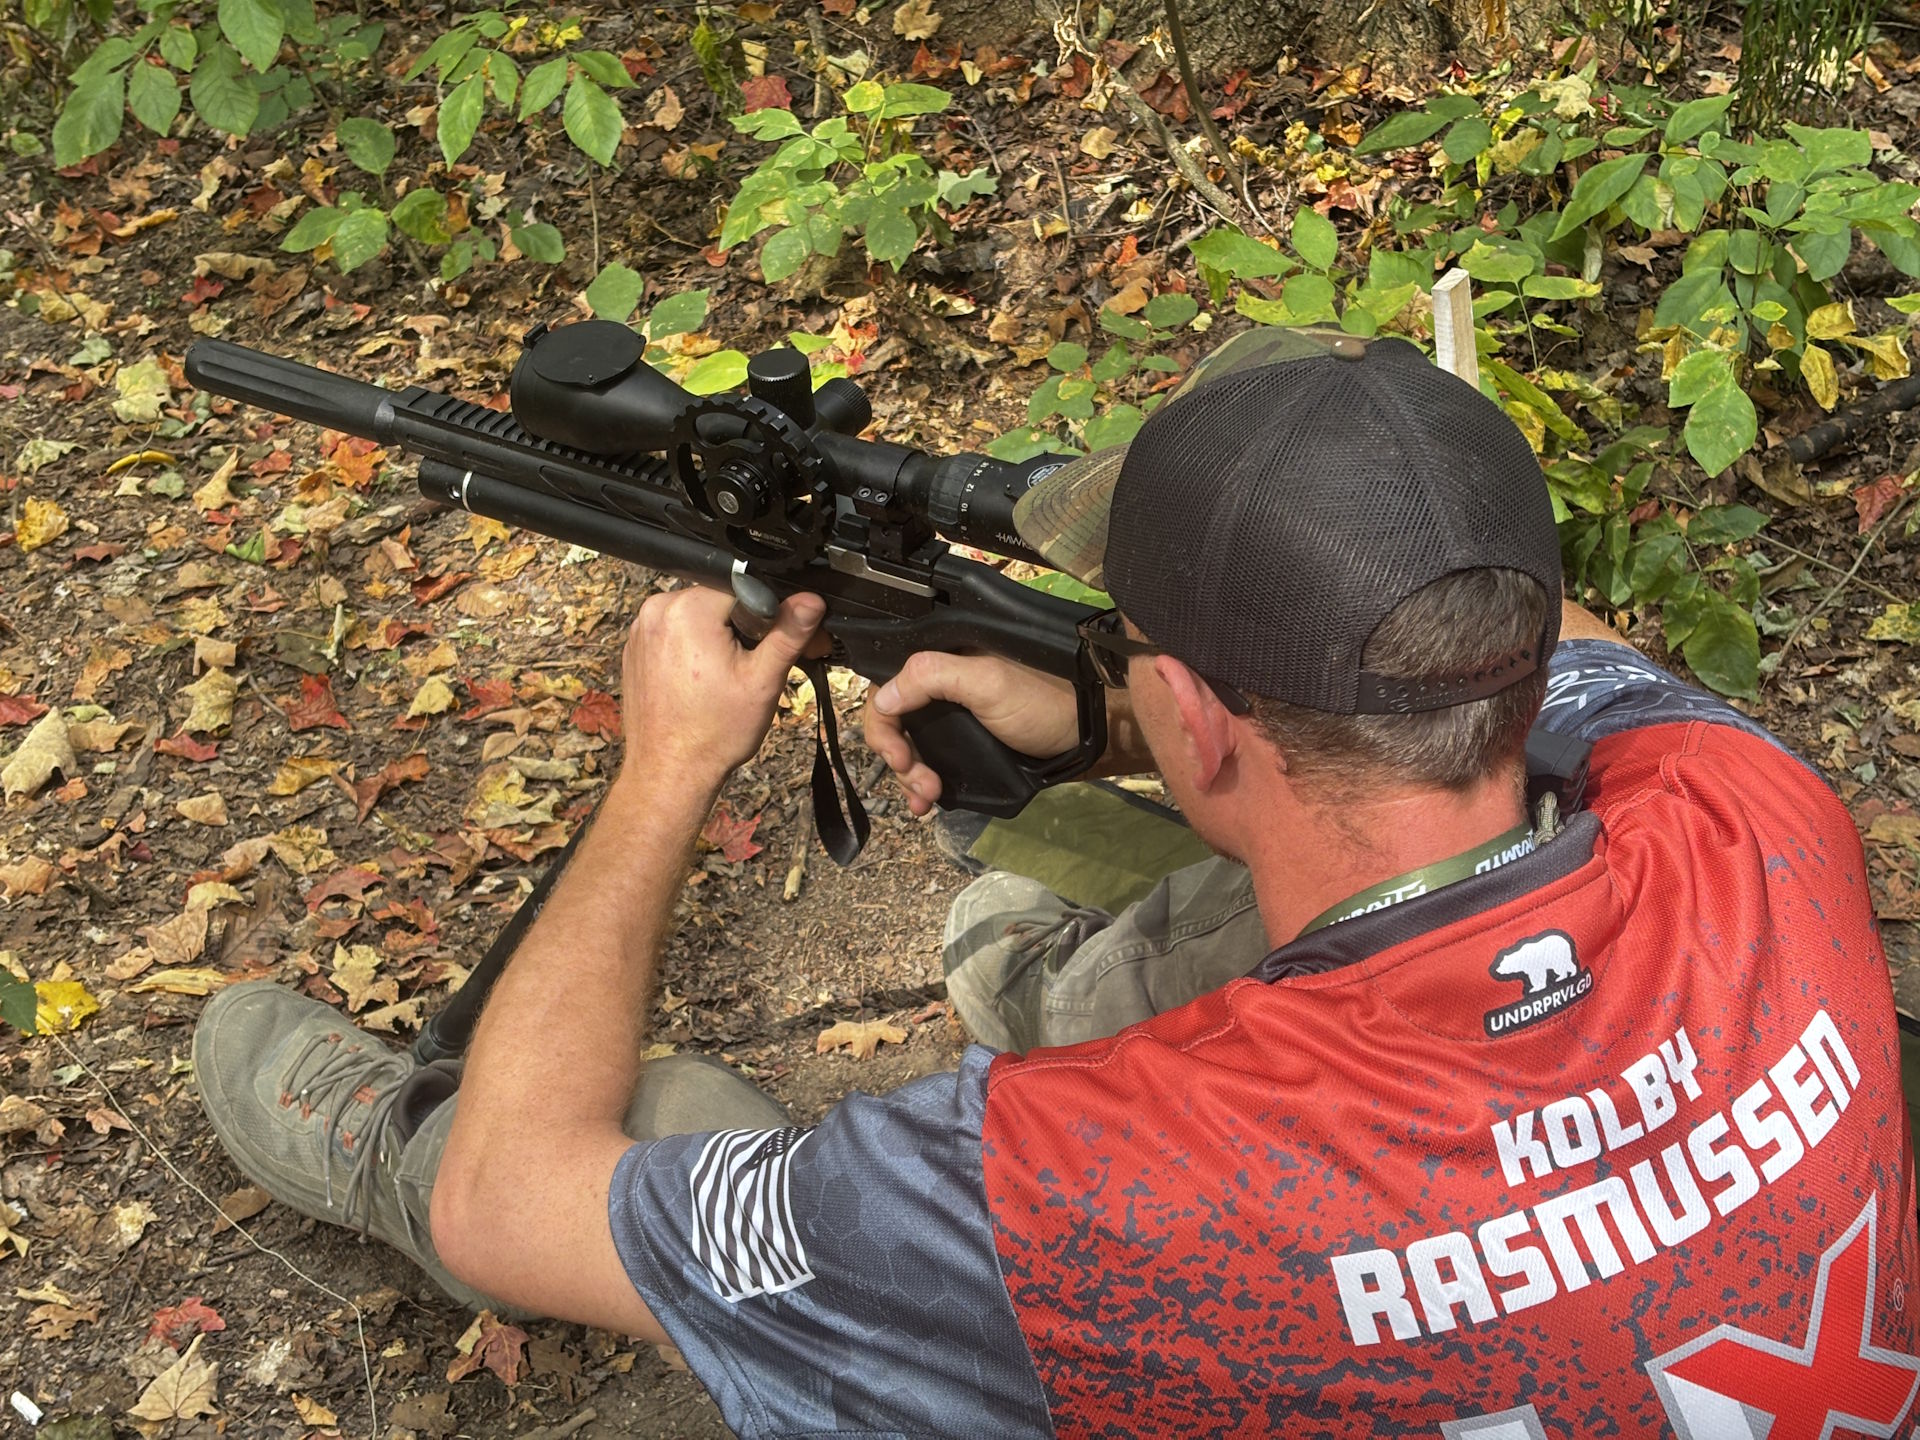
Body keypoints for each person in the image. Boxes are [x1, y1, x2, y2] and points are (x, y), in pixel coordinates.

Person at [195, 329, 1918, 1435]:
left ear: (1199, 717)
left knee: (658, 1199)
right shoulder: (1758, 815)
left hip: (1112, 1243)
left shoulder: (1081, 1192)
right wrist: (1108, 706)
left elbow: (518, 1201)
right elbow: (1509, 646)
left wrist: (662, 779)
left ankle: (437, 1155)